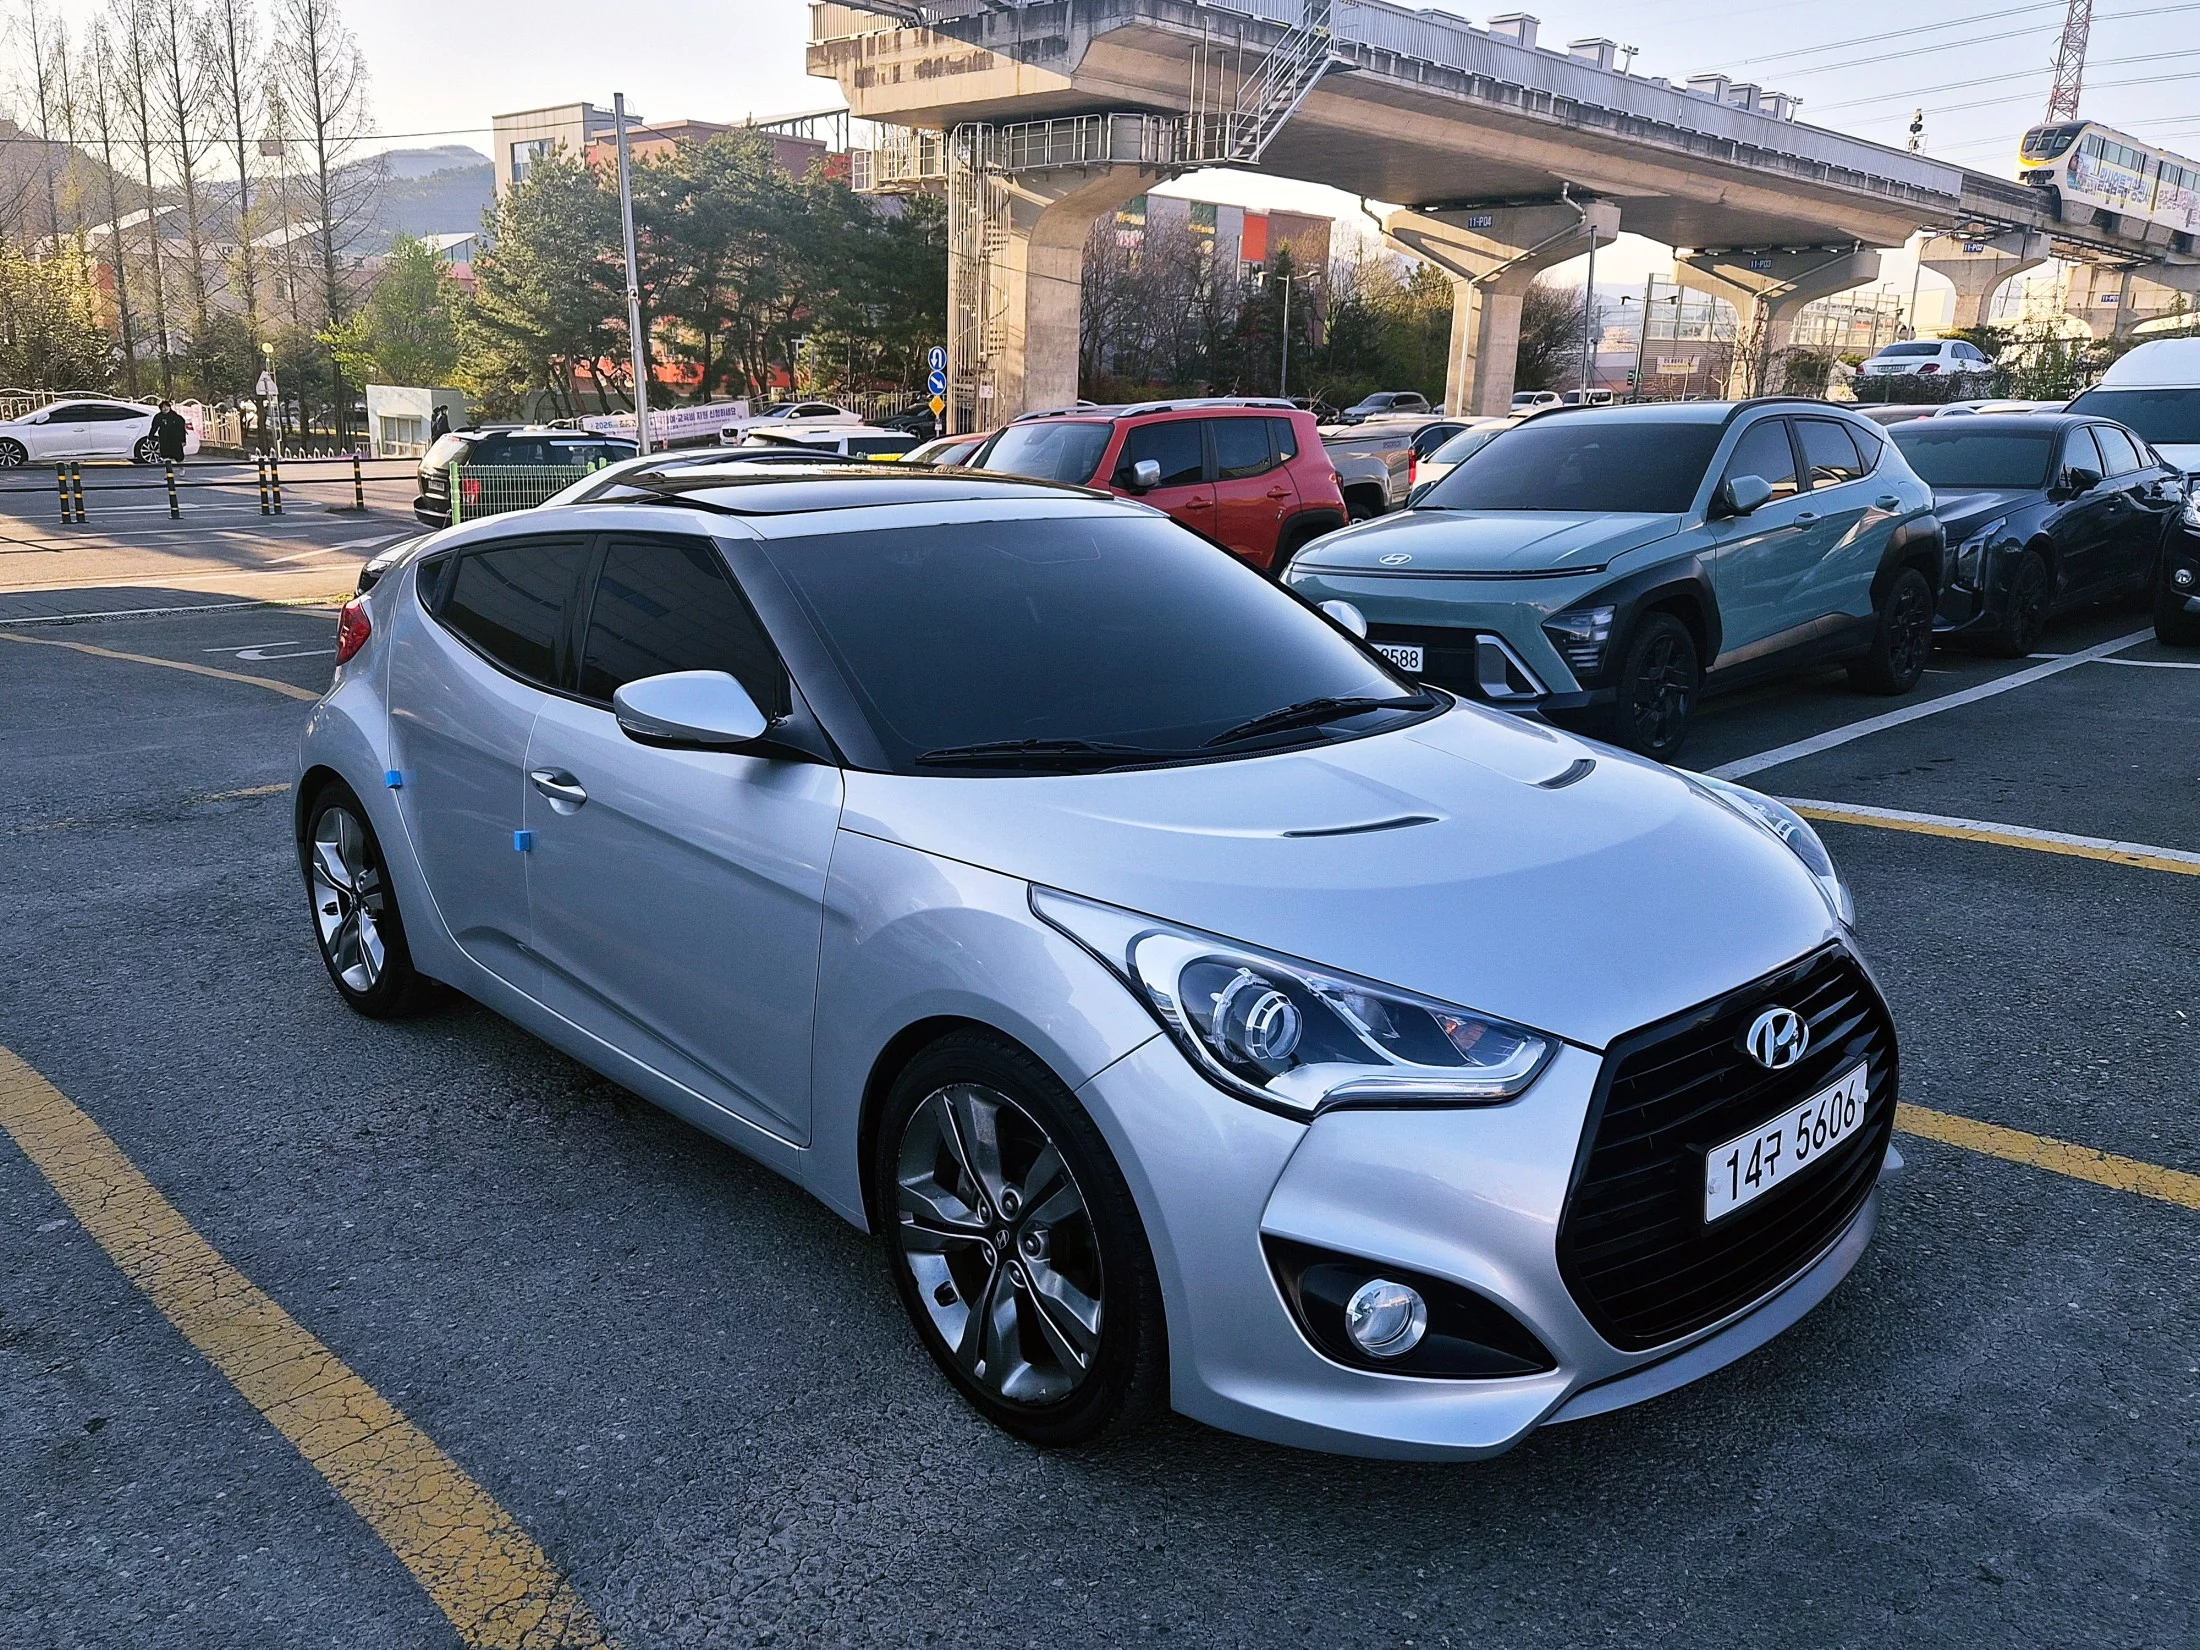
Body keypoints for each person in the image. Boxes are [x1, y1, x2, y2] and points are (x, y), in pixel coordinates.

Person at [151, 400, 189, 464]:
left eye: (167, 406)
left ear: (169, 407)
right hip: (164, 440)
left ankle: (181, 468)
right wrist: (150, 436)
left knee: (179, 457)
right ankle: (168, 469)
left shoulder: (176, 417)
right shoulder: (158, 417)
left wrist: (183, 440)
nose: (165, 408)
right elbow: (154, 427)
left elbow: (182, 430)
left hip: (175, 440)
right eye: (163, 407)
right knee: (166, 457)